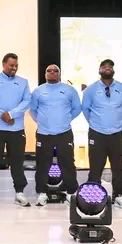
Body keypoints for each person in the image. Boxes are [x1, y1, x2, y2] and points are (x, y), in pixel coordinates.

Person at [0, 53, 32, 207]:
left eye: (16, 65)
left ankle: (19, 192)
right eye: (11, 65)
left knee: (17, 162)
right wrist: (1, 114)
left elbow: (27, 101)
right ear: (3, 64)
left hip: (16, 129)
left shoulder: (23, 82)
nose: (14, 68)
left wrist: (11, 114)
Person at [82, 59, 122, 209]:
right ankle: (92, 197)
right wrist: (96, 123)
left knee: (117, 166)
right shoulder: (91, 89)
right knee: (95, 166)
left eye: (110, 66)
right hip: (97, 133)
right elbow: (86, 109)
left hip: (117, 133)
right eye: (104, 67)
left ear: (113, 70)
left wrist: (118, 121)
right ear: (99, 70)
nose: (107, 68)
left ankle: (119, 195)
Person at [29, 65, 81, 206]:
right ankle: (41, 192)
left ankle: (71, 192)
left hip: (64, 132)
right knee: (42, 164)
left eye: (55, 71)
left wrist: (65, 119)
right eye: (49, 71)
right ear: (45, 74)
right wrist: (42, 121)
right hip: (44, 133)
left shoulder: (69, 90)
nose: (52, 73)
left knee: (68, 163)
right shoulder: (38, 91)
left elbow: (77, 108)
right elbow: (32, 109)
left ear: (59, 74)